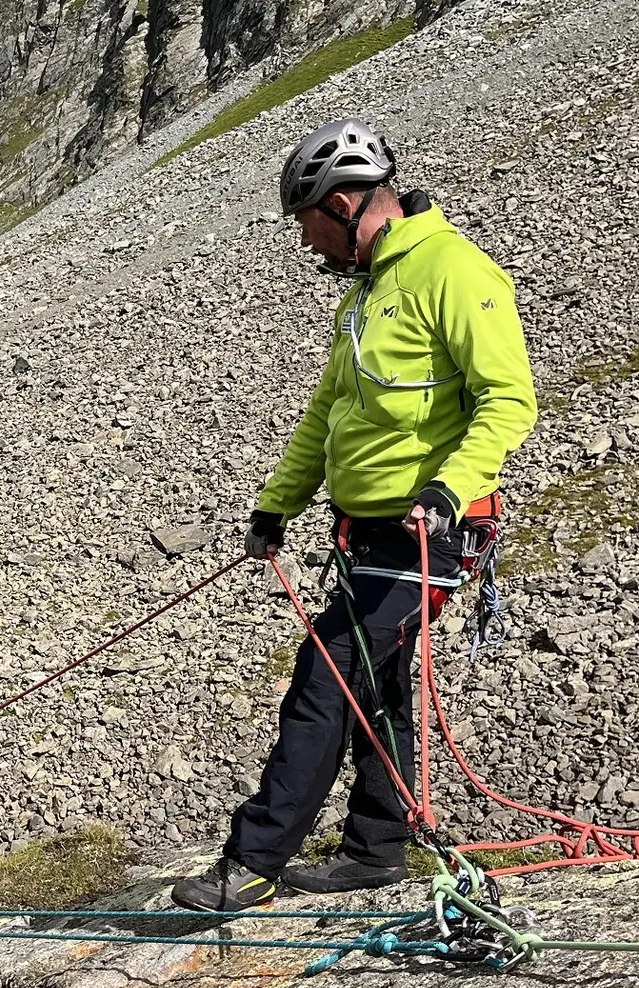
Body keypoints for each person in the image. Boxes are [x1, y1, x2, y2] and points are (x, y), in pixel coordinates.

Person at [171, 117, 537, 911]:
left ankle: (255, 860)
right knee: (375, 682)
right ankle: (376, 849)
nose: (307, 246)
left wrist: (448, 488)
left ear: (340, 204)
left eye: (307, 225)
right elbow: (327, 413)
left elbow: (509, 399)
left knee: (324, 678)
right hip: (368, 533)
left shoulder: (455, 271)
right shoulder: (372, 290)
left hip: (428, 532)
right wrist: (278, 504)